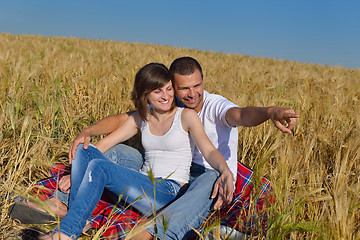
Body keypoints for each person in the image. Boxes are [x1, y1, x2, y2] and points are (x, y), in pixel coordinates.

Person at [39, 62, 234, 240]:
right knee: (85, 149)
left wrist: (225, 171)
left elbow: (209, 151)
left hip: (167, 192)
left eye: (168, 89)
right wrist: (79, 168)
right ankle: (81, 219)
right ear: (145, 95)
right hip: (142, 184)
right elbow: (106, 144)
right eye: (158, 91)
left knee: (100, 167)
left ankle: (65, 234)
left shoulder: (186, 116)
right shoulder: (143, 117)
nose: (166, 96)